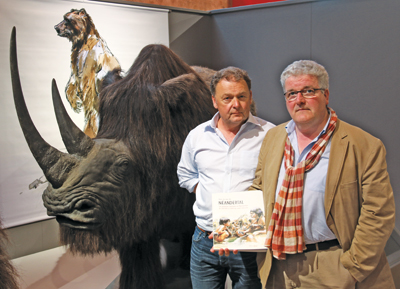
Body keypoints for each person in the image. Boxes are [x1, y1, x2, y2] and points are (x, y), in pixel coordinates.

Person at [250, 60, 395, 288]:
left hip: (333, 265)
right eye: (291, 94)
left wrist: (353, 268)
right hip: (278, 265)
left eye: (308, 91)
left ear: (326, 95)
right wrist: (236, 231)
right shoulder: (274, 138)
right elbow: (258, 189)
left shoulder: (363, 145)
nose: (299, 100)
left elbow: (378, 213)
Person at [177, 66, 275, 289]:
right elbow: (185, 172)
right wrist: (202, 191)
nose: (236, 104)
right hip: (205, 238)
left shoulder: (270, 134)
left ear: (250, 97)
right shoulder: (198, 136)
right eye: (227, 98)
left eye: (241, 96)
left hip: (248, 241)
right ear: (214, 101)